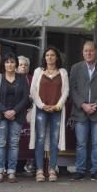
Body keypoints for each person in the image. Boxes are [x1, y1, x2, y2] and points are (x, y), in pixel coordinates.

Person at [69, 41, 97, 181]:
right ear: (82, 52)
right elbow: (72, 89)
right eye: (85, 51)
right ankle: (80, 170)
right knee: (81, 144)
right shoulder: (75, 68)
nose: (88, 53)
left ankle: (96, 171)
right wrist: (83, 104)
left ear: (96, 52)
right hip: (80, 111)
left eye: (91, 51)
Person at [29, 46, 69, 182]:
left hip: (56, 110)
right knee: (39, 138)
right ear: (44, 58)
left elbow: (66, 91)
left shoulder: (62, 72)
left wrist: (57, 106)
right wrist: (42, 105)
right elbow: (33, 91)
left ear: (57, 57)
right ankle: (40, 170)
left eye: (52, 55)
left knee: (54, 139)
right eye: (47, 55)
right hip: (41, 109)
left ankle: (52, 169)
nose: (50, 57)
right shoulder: (38, 71)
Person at [0, 53, 29, 183]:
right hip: (1, 115)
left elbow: (25, 98)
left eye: (12, 62)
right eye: (7, 62)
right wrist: (5, 111)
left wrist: (14, 111)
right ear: (4, 65)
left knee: (14, 143)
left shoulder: (22, 79)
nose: (9, 65)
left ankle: (11, 172)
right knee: (1, 143)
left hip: (17, 116)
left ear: (16, 64)